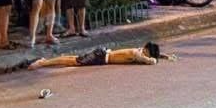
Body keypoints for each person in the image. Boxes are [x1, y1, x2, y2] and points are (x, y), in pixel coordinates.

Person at [28, 41, 176, 69]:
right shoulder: (137, 53)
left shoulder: (139, 50)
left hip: (102, 54)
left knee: (73, 60)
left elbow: (151, 57)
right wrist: (156, 59)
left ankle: (45, 61)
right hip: (101, 56)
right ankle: (43, 62)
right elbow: (150, 61)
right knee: (73, 61)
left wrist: (165, 56)